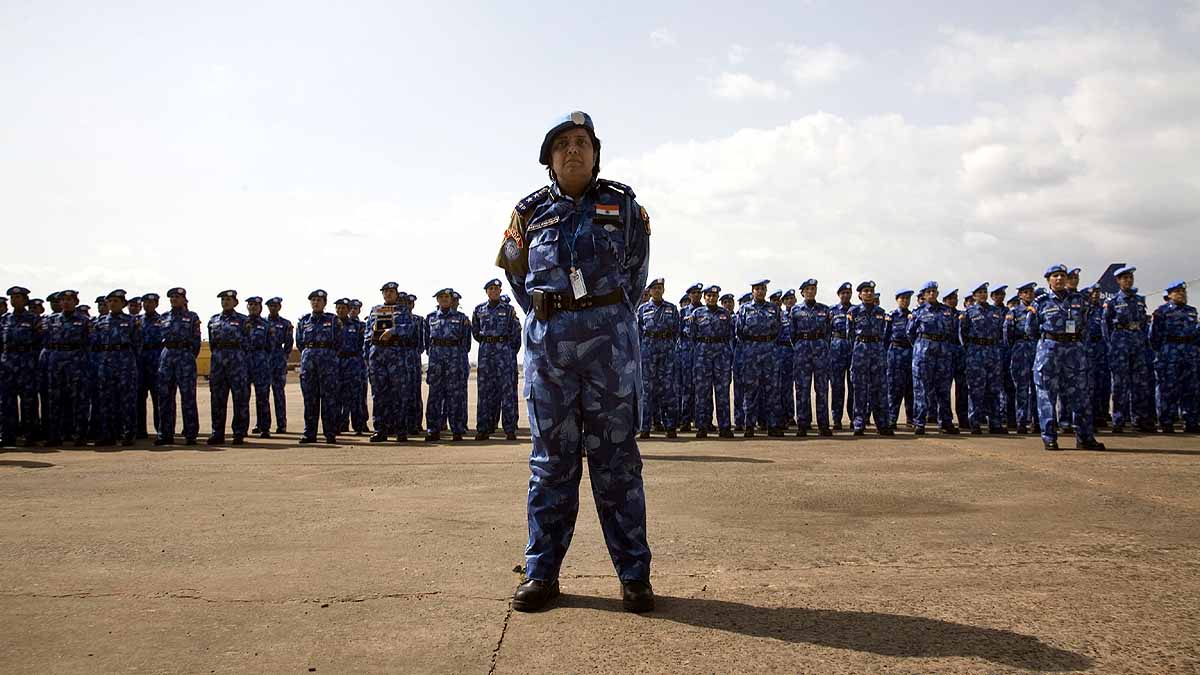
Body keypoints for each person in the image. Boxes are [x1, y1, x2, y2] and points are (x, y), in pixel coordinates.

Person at [496, 111, 653, 613]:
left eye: (581, 142)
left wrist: (598, 313)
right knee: (550, 464)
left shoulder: (625, 207)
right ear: (549, 160)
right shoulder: (527, 214)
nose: (572, 150)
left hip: (611, 350)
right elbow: (518, 280)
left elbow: (635, 274)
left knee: (618, 464)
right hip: (550, 353)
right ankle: (542, 574)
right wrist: (556, 313)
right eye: (562, 144)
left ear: (595, 151)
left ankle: (634, 577)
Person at [1027, 265, 1105, 451]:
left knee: (1081, 396)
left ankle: (1085, 438)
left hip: (1074, 354)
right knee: (1047, 396)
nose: (1060, 279)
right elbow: (1030, 330)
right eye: (1055, 276)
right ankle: (1050, 438)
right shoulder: (1041, 303)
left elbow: (1085, 326)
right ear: (1049, 280)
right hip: (1050, 353)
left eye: (1063, 275)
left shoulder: (1080, 300)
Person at [1103, 266, 1155, 433]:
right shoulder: (1113, 302)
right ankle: (1118, 419)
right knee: (1120, 384)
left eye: (1130, 278)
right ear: (1118, 281)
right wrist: (1112, 346)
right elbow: (1106, 326)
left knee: (1140, 384)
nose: (1128, 281)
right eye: (1124, 278)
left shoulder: (1140, 299)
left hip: (1138, 343)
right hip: (1120, 344)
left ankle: (1140, 419)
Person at [38, 289, 90, 447]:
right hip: (56, 361)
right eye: (63, 300)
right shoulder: (51, 320)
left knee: (79, 399)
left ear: (76, 302)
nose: (66, 302)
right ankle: (55, 435)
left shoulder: (84, 320)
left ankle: (79, 434)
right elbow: (45, 341)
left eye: (69, 300)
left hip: (76, 362)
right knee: (55, 399)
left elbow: (89, 342)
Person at [907, 282, 959, 435]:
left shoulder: (947, 311)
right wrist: (921, 346)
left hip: (943, 353)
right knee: (921, 388)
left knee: (943, 389)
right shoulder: (918, 312)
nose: (931, 294)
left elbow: (953, 331)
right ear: (923, 295)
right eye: (928, 292)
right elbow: (910, 333)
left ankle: (945, 422)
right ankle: (919, 422)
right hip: (924, 352)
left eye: (934, 291)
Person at [365, 282, 414, 443]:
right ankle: (380, 430)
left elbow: (410, 329)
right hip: (377, 354)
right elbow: (366, 335)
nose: (388, 294)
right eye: (386, 292)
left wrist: (393, 331)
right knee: (379, 394)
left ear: (396, 294)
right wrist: (367, 356)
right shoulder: (375, 310)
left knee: (398, 394)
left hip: (396, 354)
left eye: (392, 292)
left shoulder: (403, 310)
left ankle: (400, 430)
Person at [92, 290, 141, 446]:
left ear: (123, 304)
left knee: (127, 399)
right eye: (110, 301)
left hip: (125, 362)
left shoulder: (132, 321)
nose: (112, 304)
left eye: (115, 301)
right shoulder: (100, 322)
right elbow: (95, 344)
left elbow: (138, 344)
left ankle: (128, 434)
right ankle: (108, 434)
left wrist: (130, 360)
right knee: (106, 400)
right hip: (106, 362)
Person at [473, 279, 520, 441]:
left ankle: (510, 428)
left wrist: (506, 348)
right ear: (486, 291)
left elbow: (515, 334)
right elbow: (476, 333)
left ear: (500, 291)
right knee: (485, 392)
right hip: (486, 352)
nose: (494, 291)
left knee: (507, 391)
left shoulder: (508, 310)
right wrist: (489, 341)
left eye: (496, 289)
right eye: (491, 289)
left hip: (504, 351)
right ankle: (483, 428)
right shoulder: (479, 310)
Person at [1149, 281, 1198, 433]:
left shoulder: (1192, 311)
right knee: (1167, 388)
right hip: (1169, 353)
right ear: (1169, 295)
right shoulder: (1161, 312)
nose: (1181, 294)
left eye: (1183, 292)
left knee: (1190, 388)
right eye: (1177, 292)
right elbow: (1154, 336)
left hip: (1189, 353)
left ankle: (1190, 420)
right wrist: (1162, 352)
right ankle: (1166, 421)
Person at [736, 280, 783, 436]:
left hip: (770, 351)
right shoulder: (744, 309)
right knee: (750, 390)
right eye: (757, 289)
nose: (760, 291)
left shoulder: (774, 309)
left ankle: (773, 425)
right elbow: (739, 332)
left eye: (763, 289)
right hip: (751, 352)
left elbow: (779, 330)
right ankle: (749, 425)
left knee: (772, 390)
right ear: (752, 291)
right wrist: (752, 344)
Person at [155, 287, 201, 446]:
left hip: (185, 357)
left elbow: (196, 341)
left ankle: (190, 433)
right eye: (172, 297)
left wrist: (188, 356)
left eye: (177, 297)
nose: (174, 299)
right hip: (167, 357)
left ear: (184, 299)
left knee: (188, 396)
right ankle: (165, 434)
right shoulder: (164, 317)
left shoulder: (192, 317)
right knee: (165, 398)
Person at [960, 283, 1007, 434]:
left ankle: (995, 423)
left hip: (993, 352)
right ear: (974, 296)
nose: (982, 295)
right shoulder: (969, 312)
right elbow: (962, 334)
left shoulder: (996, 312)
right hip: (976, 353)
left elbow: (1002, 332)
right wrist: (971, 349)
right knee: (976, 390)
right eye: (979, 292)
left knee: (994, 389)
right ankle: (975, 422)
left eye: (984, 292)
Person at [689, 285, 735, 438]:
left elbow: (730, 334)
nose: (711, 298)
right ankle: (702, 427)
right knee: (702, 393)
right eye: (708, 296)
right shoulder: (697, 313)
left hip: (721, 355)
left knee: (722, 392)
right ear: (704, 297)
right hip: (703, 355)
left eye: (714, 296)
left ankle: (724, 427)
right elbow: (692, 336)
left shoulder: (725, 314)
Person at [846, 281, 892, 436]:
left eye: (871, 291)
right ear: (859, 294)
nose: (869, 293)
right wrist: (859, 348)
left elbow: (885, 335)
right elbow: (849, 335)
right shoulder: (854, 312)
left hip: (877, 352)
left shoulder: (881, 312)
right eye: (865, 291)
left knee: (879, 389)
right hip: (860, 352)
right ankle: (859, 423)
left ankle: (882, 424)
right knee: (859, 389)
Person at [296, 289, 341, 444]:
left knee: (329, 399)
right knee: (310, 399)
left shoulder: (333, 320)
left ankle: (330, 433)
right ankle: (310, 433)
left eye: (319, 300)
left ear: (325, 303)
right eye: (313, 300)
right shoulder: (304, 321)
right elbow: (300, 343)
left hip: (328, 365)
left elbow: (339, 342)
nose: (316, 303)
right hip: (309, 364)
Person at [425, 288, 470, 442]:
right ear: (437, 300)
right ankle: (433, 430)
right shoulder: (430, 318)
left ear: (451, 300)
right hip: (436, 361)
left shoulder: (461, 318)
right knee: (435, 396)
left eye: (447, 297)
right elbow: (426, 341)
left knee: (454, 397)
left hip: (454, 361)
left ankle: (457, 430)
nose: (444, 299)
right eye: (441, 297)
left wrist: (457, 358)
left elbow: (466, 343)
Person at [207, 290, 251, 446]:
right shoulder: (213, 320)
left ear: (235, 302)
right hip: (218, 362)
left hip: (237, 362)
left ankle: (239, 433)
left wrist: (238, 357)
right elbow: (212, 343)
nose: (225, 302)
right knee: (217, 399)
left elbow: (248, 343)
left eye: (228, 299)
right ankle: (217, 433)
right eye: (223, 299)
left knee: (240, 398)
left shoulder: (243, 320)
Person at [636, 278, 678, 439]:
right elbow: (639, 331)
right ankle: (645, 427)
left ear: (664, 290)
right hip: (648, 352)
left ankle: (670, 427)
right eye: (655, 288)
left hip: (666, 352)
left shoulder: (672, 309)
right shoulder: (642, 310)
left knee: (668, 390)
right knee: (647, 391)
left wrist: (667, 344)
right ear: (650, 291)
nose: (658, 291)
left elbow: (676, 330)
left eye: (660, 288)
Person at [1, 286, 41, 447]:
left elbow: (40, 341)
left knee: (28, 401)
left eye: (18, 298)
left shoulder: (33, 319)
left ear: (25, 300)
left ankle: (30, 434)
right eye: (12, 298)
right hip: (7, 363)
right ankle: (7, 435)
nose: (14, 300)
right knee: (6, 401)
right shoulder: (4, 319)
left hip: (27, 362)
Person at [1005, 282, 1038, 434]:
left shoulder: (1040, 308)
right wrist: (1015, 348)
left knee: (1038, 388)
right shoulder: (1014, 312)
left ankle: (1037, 422)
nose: (1029, 295)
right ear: (1020, 295)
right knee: (1022, 388)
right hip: (1020, 350)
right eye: (1025, 292)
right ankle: (1021, 422)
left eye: (1031, 292)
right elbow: (1007, 334)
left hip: (1037, 348)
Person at [334, 298, 369, 435]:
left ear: (348, 310)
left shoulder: (359, 326)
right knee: (336, 396)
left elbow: (364, 345)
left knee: (356, 396)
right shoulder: (332, 324)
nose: (341, 310)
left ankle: (358, 426)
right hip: (336, 363)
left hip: (353, 362)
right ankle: (339, 424)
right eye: (338, 308)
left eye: (344, 308)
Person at [245, 296, 274, 439]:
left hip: (260, 361)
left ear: (261, 307)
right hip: (243, 362)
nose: (253, 307)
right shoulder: (241, 323)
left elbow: (270, 345)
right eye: (250, 305)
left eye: (256, 305)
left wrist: (262, 357)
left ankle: (264, 427)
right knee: (242, 397)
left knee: (262, 396)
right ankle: (242, 428)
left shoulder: (266, 325)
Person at [885, 289, 915, 429]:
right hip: (895, 354)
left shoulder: (913, 316)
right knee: (894, 388)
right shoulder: (891, 316)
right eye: (902, 298)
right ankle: (892, 419)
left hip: (910, 352)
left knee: (911, 388)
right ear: (897, 300)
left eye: (907, 298)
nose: (905, 301)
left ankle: (911, 418)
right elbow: (885, 337)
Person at [676, 283, 703, 432]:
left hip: (702, 352)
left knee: (702, 388)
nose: (697, 295)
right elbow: (677, 332)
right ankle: (685, 420)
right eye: (694, 293)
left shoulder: (706, 311)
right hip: (686, 352)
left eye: (699, 292)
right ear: (689, 295)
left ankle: (702, 421)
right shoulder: (682, 312)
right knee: (686, 387)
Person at [136, 292, 163, 439]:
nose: (147, 305)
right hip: (140, 361)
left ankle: (161, 429)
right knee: (139, 397)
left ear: (156, 304)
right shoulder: (136, 321)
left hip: (156, 360)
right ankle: (140, 430)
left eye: (151, 303)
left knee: (158, 397)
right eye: (145, 302)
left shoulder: (163, 320)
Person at [265, 297, 293, 433]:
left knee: (278, 393)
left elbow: (289, 343)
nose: (273, 308)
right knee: (262, 393)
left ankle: (281, 424)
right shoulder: (262, 322)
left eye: (275, 306)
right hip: (263, 359)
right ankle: (262, 424)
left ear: (279, 307)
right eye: (271, 306)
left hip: (278, 358)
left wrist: (283, 357)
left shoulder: (286, 324)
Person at [943, 289, 970, 428]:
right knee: (944, 388)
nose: (954, 300)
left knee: (962, 387)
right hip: (946, 352)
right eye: (950, 298)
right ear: (945, 301)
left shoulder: (962, 315)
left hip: (960, 352)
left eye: (955, 298)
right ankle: (946, 418)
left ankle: (963, 418)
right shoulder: (941, 315)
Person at [829, 282, 854, 430]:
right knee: (837, 387)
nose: (845, 295)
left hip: (852, 349)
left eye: (848, 293)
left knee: (854, 386)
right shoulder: (832, 311)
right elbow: (826, 331)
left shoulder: (856, 310)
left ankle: (854, 418)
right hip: (836, 349)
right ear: (839, 295)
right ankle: (836, 419)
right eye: (843, 293)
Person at [776, 288, 797, 427]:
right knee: (782, 385)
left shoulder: (800, 314)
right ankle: (783, 415)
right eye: (787, 299)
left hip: (798, 351)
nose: (790, 301)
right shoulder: (779, 316)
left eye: (792, 299)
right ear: (783, 302)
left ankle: (792, 415)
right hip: (782, 351)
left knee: (797, 386)